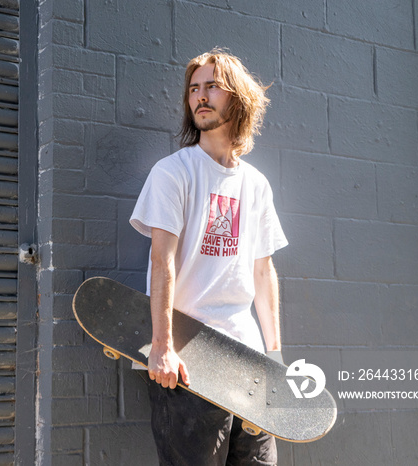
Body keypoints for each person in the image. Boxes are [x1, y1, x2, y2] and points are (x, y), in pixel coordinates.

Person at [129, 48, 287, 465]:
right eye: (194, 89)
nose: (200, 96)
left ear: (236, 98)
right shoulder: (173, 172)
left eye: (212, 87)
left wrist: (275, 357)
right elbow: (160, 259)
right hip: (186, 362)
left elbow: (262, 271)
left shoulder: (256, 185)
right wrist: (162, 346)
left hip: (246, 360)